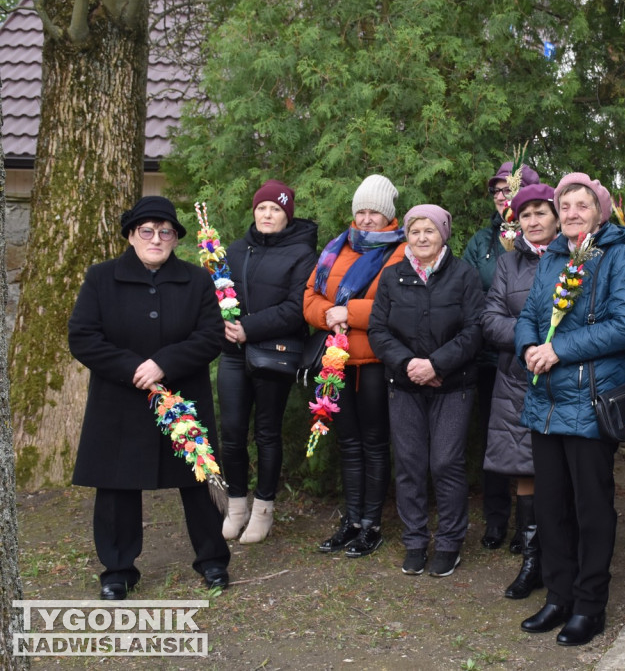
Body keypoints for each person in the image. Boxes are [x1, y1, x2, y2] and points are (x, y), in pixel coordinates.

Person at [68, 196, 230, 599]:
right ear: (131, 235)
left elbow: (211, 335)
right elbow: (83, 337)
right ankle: (118, 570)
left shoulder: (195, 280)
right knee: (117, 484)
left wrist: (164, 363)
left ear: (175, 238)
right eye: (147, 231)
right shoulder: (101, 278)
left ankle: (212, 560)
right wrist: (131, 368)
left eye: (166, 232)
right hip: (120, 401)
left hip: (182, 397)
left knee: (197, 479)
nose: (156, 239)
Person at [515, 172, 625, 646]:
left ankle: (590, 605)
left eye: (582, 205)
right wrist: (529, 345)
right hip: (547, 402)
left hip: (590, 402)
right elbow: (531, 313)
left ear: (601, 212)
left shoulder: (621, 257)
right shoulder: (552, 258)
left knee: (591, 508)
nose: (572, 213)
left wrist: (559, 349)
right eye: (565, 206)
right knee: (550, 506)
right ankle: (559, 594)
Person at [368, 204, 484, 577]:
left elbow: (474, 330)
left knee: (445, 463)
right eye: (415, 231)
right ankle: (416, 541)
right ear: (406, 236)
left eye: (429, 231)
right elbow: (378, 331)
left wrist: (436, 364)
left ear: (443, 235)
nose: (421, 238)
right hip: (403, 386)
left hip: (453, 385)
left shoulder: (464, 276)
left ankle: (450, 542)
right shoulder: (392, 277)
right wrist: (409, 366)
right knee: (410, 464)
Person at [305, 175, 406, 558]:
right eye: (361, 211)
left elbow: (395, 303)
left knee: (376, 443)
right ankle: (352, 520)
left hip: (377, 362)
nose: (365, 219)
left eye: (374, 212)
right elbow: (310, 295)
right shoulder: (336, 247)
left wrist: (350, 312)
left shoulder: (401, 250)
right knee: (348, 443)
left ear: (388, 216)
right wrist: (329, 315)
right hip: (338, 360)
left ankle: (372, 524)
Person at [219, 180, 317, 544]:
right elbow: (221, 295)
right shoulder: (235, 249)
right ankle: (236, 506)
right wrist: (225, 325)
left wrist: (248, 328)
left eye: (275, 209)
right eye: (262, 208)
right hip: (233, 354)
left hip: (273, 355)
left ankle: (263, 509)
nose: (267, 214)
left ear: (286, 216)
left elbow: (296, 310)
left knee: (266, 433)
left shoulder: (302, 254)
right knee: (230, 434)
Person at [480, 183, 560, 600]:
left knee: (562, 471)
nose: (532, 221)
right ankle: (532, 562)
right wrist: (530, 341)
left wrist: (555, 344)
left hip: (565, 378)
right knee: (525, 468)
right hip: (517, 379)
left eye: (540, 212)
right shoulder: (509, 264)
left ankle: (561, 557)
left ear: (557, 216)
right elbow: (490, 318)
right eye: (525, 214)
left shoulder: (578, 259)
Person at [464, 160, 540, 552]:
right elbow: (470, 293)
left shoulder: (545, 244)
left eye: (509, 190)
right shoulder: (481, 242)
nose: (502, 198)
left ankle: (528, 528)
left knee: (534, 445)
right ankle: (496, 520)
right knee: (496, 442)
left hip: (536, 363)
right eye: (497, 191)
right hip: (492, 358)